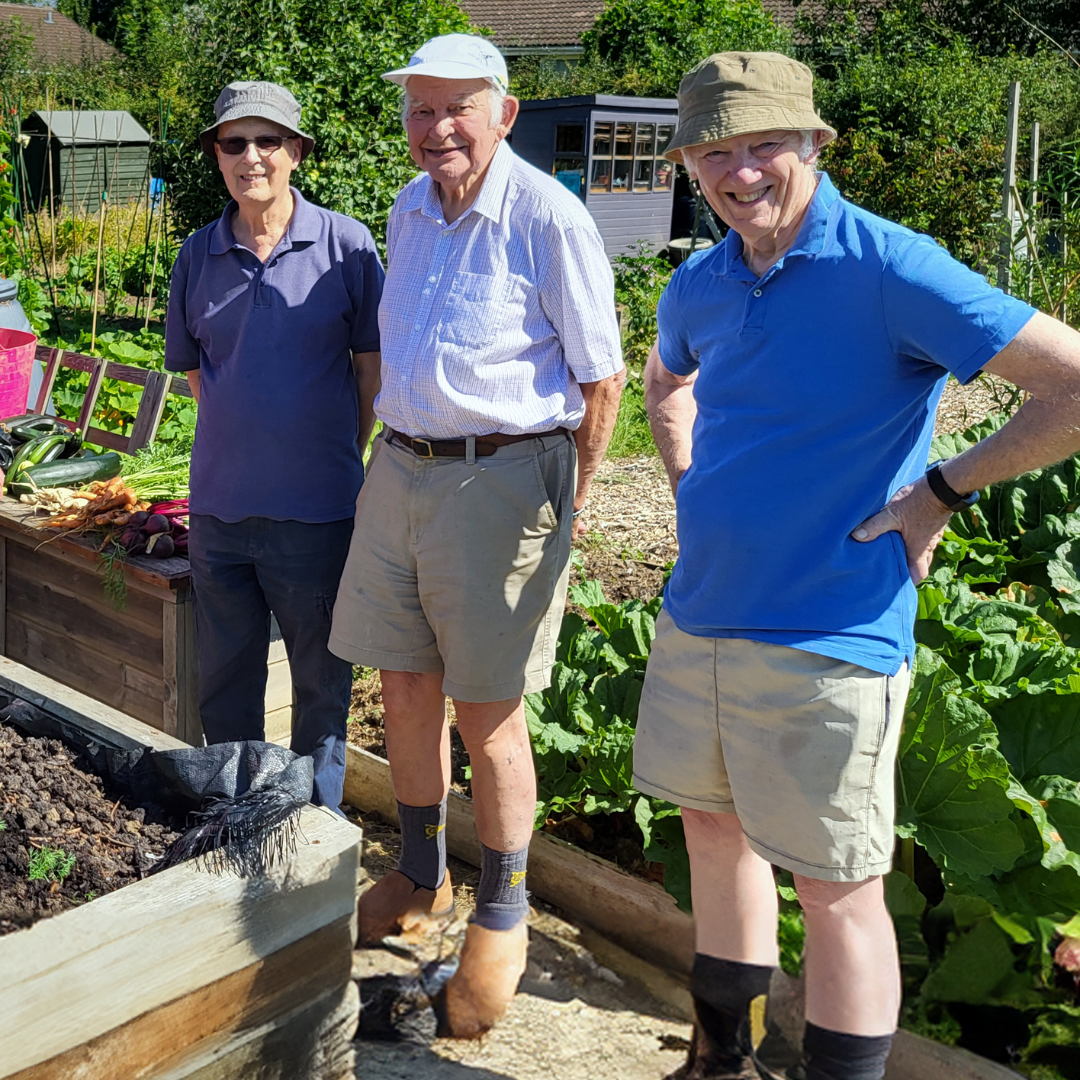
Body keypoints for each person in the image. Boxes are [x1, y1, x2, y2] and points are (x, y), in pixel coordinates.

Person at [637, 51, 1080, 1080]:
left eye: (763, 147)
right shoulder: (703, 279)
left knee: (836, 884)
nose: (740, 173)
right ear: (692, 167)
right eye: (715, 154)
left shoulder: (890, 268)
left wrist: (941, 492)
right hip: (703, 614)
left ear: (812, 144)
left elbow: (1069, 386)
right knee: (712, 833)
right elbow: (665, 380)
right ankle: (721, 1062)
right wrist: (690, 484)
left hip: (829, 631)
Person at [328, 33, 625, 1036]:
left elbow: (602, 377)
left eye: (458, 106)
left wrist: (566, 504)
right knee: (402, 682)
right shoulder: (410, 207)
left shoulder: (548, 215)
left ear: (504, 110)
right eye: (419, 109)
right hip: (402, 466)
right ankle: (419, 872)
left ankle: (503, 907)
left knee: (487, 711)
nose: (436, 127)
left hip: (502, 476)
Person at [164, 82, 384, 810]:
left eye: (268, 141)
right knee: (225, 686)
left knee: (321, 689)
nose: (251, 157)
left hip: (316, 516)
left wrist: (322, 457)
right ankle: (233, 823)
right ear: (216, 158)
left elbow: (369, 372)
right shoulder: (197, 255)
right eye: (234, 143)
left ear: (296, 153)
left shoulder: (347, 247)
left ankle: (314, 833)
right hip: (220, 517)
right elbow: (202, 376)